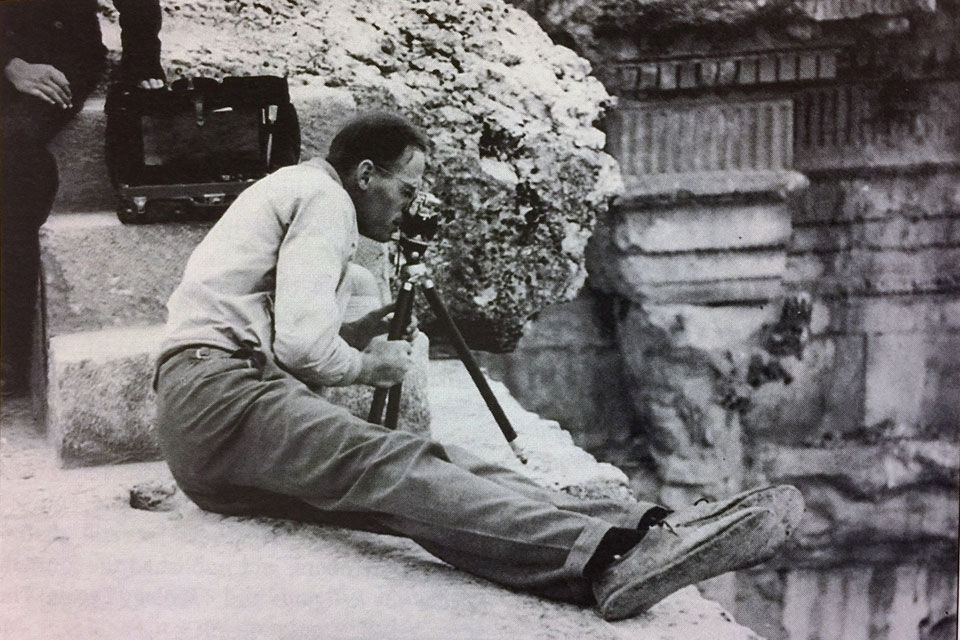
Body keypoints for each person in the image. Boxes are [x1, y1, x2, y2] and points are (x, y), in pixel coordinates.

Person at [154, 112, 804, 620]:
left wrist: (357, 333)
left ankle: (627, 530)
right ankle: (605, 559)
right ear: (365, 175)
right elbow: (301, 350)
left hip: (214, 411)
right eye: (404, 191)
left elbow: (286, 336)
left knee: (425, 467)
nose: (408, 208)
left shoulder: (293, 192)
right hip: (219, 399)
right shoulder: (323, 199)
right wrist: (369, 368)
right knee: (394, 462)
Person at [0, 0, 165, 396]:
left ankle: (8, 348)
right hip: (9, 59)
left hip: (58, 54)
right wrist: (10, 64)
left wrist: (141, 64)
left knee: (12, 153)